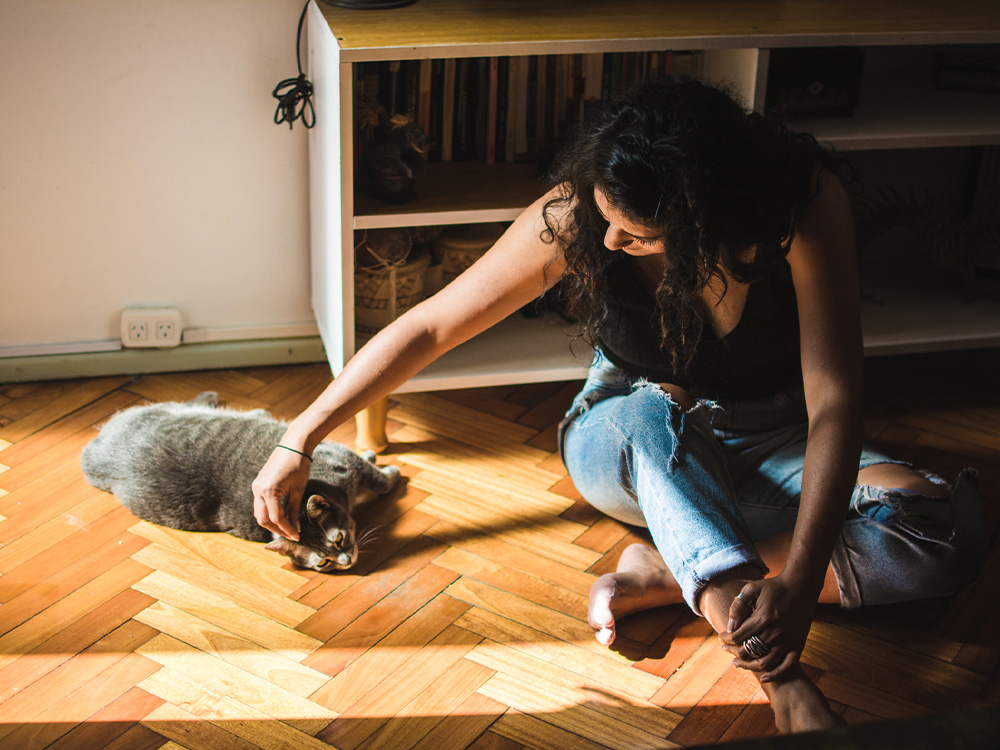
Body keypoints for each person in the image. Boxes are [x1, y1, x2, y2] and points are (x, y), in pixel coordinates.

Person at [252, 78, 987, 734]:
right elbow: (431, 324)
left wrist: (800, 578)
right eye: (605, 217)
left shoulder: (801, 203)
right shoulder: (573, 218)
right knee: (651, 410)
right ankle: (781, 681)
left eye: (635, 233)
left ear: (710, 220)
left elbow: (834, 402)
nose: (608, 239)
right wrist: (301, 437)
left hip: (776, 435)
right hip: (626, 433)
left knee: (941, 533)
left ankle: (674, 569)